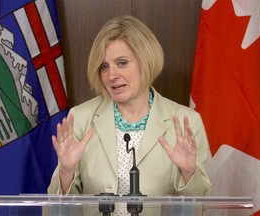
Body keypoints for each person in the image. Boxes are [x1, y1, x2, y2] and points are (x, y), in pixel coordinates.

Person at [48, 14, 212, 209]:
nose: (111, 75)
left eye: (122, 63)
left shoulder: (186, 122)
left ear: (146, 60)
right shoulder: (81, 118)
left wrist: (188, 173)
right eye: (104, 66)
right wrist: (66, 172)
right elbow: (58, 210)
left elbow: (203, 208)